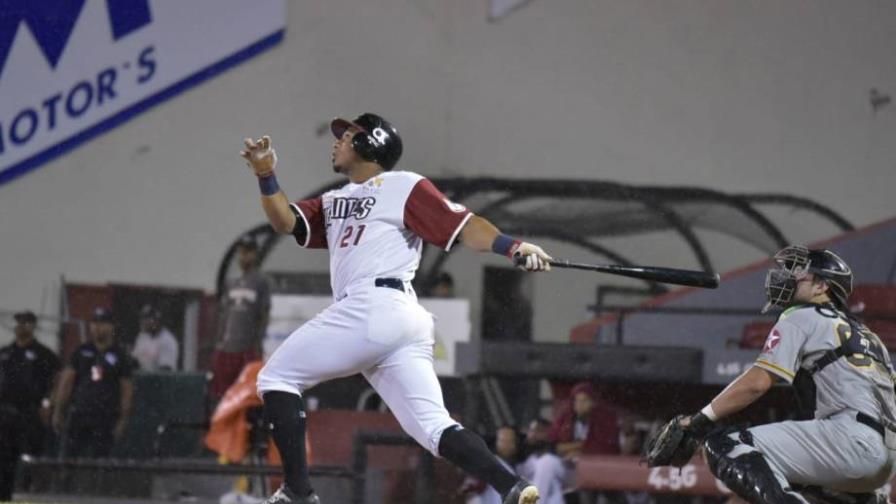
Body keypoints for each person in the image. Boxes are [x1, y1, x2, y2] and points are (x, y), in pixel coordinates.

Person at [239, 112, 550, 504]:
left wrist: (513, 246)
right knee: (434, 428)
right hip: (398, 320)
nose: (337, 142)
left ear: (371, 143)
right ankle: (512, 487)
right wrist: (266, 176)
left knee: (277, 378)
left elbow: (464, 225)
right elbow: (286, 221)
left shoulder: (403, 186)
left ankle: (298, 492)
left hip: (373, 306)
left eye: (347, 135)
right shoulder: (335, 199)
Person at [670, 246, 896, 503]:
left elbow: (757, 382)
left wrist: (699, 420)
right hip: (884, 459)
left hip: (848, 440)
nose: (788, 277)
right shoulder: (870, 337)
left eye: (799, 271)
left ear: (821, 286)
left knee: (725, 445)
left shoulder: (803, 315)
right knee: (749, 494)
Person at [53, 308, 134, 458]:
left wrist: (123, 420)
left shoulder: (120, 355)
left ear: (111, 327)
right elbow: (67, 382)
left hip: (105, 417)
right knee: (69, 458)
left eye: (103, 323)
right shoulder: (81, 351)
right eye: (95, 323)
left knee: (99, 461)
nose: (98, 327)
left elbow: (126, 390)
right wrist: (59, 410)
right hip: (80, 413)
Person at [0, 311, 60, 500]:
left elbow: (56, 382)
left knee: (29, 459)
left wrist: (48, 404)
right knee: (4, 460)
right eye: (19, 323)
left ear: (33, 326)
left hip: (30, 414)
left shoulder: (44, 355)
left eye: (26, 323)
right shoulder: (5, 353)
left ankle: (25, 496)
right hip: (5, 413)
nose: (21, 327)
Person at [210, 234, 271, 401]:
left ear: (255, 254)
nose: (244, 256)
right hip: (226, 347)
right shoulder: (231, 282)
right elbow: (223, 314)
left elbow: (263, 314)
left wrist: (257, 344)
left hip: (246, 348)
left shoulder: (260, 282)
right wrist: (219, 342)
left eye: (248, 252)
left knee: (245, 392)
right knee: (223, 394)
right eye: (242, 252)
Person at [550, 382, 619, 504]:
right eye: (577, 401)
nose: (580, 405)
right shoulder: (566, 417)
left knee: (589, 481)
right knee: (546, 464)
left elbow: (605, 448)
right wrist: (580, 446)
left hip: (596, 469)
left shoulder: (603, 419)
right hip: (567, 468)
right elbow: (555, 446)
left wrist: (580, 452)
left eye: (585, 400)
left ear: (593, 402)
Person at [458, 426, 521, 504]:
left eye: (509, 441)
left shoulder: (521, 465)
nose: (506, 445)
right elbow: (469, 489)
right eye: (502, 440)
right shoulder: (487, 463)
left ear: (515, 443)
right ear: (497, 441)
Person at [518, 418, 567, 504]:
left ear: (549, 434)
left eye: (539, 431)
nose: (532, 434)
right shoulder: (529, 460)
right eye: (531, 430)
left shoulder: (551, 460)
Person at [131, 304, 179, 371]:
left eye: (146, 318)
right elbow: (135, 361)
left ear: (156, 320)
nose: (142, 322)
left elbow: (165, 370)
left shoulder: (167, 340)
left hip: (158, 380)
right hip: (142, 378)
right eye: (142, 318)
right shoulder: (142, 336)